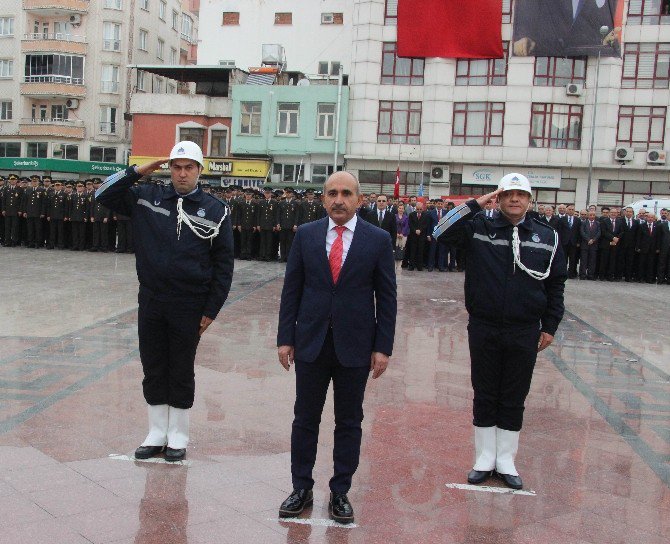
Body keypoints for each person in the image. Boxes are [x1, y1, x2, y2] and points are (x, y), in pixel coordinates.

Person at [95, 141, 234, 462]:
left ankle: (178, 436)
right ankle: (156, 432)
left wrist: (211, 310)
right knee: (153, 365)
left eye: (189, 167)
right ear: (168, 168)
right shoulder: (147, 197)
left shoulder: (216, 209)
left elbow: (224, 265)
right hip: (152, 300)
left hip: (190, 304)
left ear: (200, 170)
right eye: (176, 167)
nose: (182, 174)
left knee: (181, 369)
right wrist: (135, 172)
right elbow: (102, 195)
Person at [277, 171, 396, 524]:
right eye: (331, 193)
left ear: (359, 199)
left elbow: (386, 297)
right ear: (323, 198)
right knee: (305, 419)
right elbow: (292, 289)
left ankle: (340, 490)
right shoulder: (307, 235)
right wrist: (286, 338)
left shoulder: (378, 240)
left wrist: (383, 347)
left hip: (356, 347)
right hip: (311, 343)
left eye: (346, 193)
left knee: (349, 421)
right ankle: (301, 486)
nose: (338, 200)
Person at [434, 173, 566, 490]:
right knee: (485, 390)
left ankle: (506, 459)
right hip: (484, 325)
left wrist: (550, 326)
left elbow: (556, 285)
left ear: (530, 200)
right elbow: (440, 232)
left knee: (513, 394)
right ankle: (484, 458)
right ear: (499, 198)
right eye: (507, 194)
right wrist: (477, 204)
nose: (514, 200)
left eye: (521, 195)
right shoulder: (480, 228)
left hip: (524, 329)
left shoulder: (547, 236)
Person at [513, 0, 620, 57]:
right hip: (544, 59)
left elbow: (611, 34)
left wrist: (605, 43)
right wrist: (523, 36)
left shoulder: (609, 4)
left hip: (585, 60)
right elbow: (525, 17)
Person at [407, 201, 431, 271]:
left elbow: (426, 224)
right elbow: (410, 224)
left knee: (420, 251)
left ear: (422, 208)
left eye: (420, 209)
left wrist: (420, 230)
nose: (419, 211)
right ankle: (411, 266)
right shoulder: (411, 215)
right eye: (418, 209)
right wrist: (415, 230)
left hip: (422, 236)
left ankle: (419, 266)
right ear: (416, 209)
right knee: (412, 251)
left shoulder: (426, 215)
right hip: (413, 236)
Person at [579, 210, 600, 280]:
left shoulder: (598, 223)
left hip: (594, 245)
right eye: (590, 215)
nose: (592, 216)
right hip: (585, 244)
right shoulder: (583, 223)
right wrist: (588, 239)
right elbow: (582, 232)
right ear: (588, 215)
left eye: (593, 215)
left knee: (592, 261)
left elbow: (599, 233)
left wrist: (593, 240)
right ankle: (582, 275)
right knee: (583, 261)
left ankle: (590, 275)